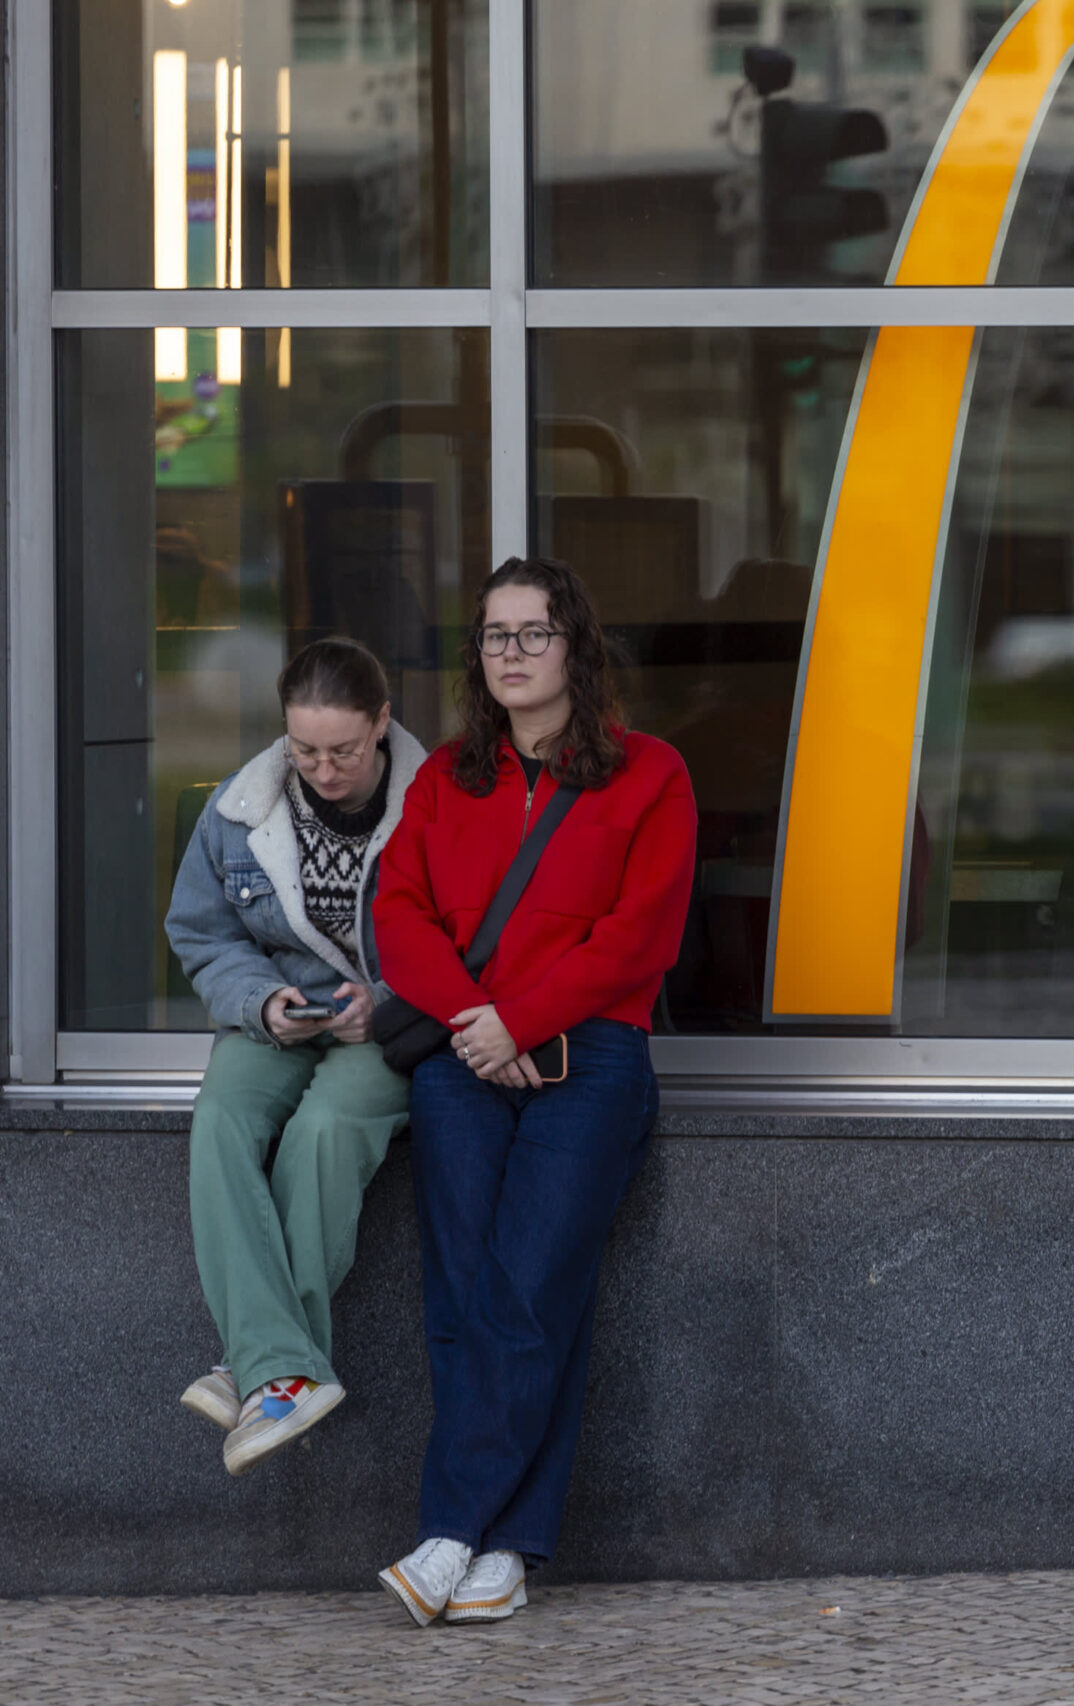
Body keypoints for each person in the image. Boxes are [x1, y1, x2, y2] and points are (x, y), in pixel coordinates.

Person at [371, 557, 696, 1627]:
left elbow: (639, 935)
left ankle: (459, 1531)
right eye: (494, 635)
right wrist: (479, 1016)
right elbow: (398, 913)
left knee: (529, 1291)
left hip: (588, 1062)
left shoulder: (651, 774)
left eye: (533, 633)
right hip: (466, 1055)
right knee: (465, 1296)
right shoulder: (444, 778)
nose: (510, 653)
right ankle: (504, 1547)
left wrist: (522, 1017)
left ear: (576, 647)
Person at [164, 637, 428, 1474]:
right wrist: (260, 1001)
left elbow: (469, 936)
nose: (323, 769)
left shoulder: (436, 805)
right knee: (219, 1120)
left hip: (390, 1026)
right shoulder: (239, 808)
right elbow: (201, 932)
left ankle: (259, 1364)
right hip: (281, 1016)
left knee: (325, 1132)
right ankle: (278, 1369)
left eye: (343, 750)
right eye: (304, 749)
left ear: (381, 723)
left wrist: (387, 1004)